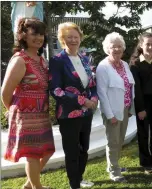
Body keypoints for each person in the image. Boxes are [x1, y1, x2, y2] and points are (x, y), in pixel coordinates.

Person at [1, 18, 55, 189]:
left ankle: (29, 184)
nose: (39, 38)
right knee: (32, 155)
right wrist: (13, 111)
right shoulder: (20, 60)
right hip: (25, 115)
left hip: (41, 113)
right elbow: (5, 92)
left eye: (41, 34)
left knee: (47, 150)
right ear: (23, 36)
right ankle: (36, 187)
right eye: (34, 34)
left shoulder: (41, 60)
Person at [49, 22, 98, 189]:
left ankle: (80, 178)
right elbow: (56, 90)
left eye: (76, 37)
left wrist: (95, 99)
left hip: (86, 114)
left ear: (80, 39)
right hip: (69, 114)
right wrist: (83, 101)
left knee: (84, 149)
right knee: (72, 151)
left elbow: (92, 84)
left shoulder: (84, 58)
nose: (73, 40)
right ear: (62, 39)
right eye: (69, 37)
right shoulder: (57, 60)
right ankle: (74, 185)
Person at [96, 32, 135, 183]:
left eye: (119, 46)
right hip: (111, 111)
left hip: (124, 108)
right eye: (113, 47)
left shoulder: (124, 64)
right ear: (107, 48)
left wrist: (130, 107)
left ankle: (114, 164)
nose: (117, 49)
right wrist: (110, 115)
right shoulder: (103, 67)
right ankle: (114, 171)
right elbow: (102, 93)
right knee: (113, 141)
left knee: (119, 140)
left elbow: (129, 87)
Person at [130, 32, 152, 175]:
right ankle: (146, 163)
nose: (150, 47)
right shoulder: (135, 64)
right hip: (143, 103)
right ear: (141, 45)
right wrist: (140, 108)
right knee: (143, 134)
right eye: (147, 44)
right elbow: (136, 89)